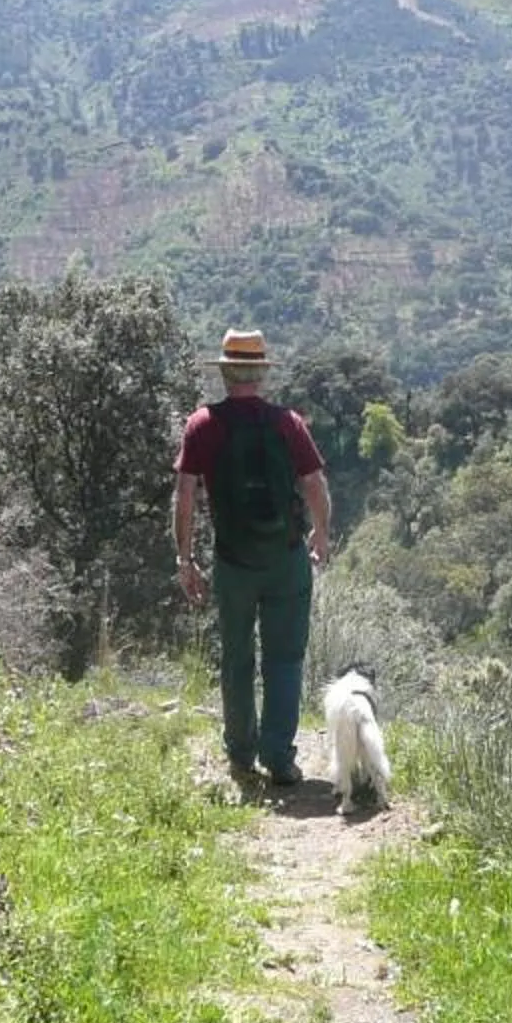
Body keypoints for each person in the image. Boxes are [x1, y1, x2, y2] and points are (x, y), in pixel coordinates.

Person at [173, 328, 333, 784]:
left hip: (233, 561)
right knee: (285, 658)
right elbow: (315, 483)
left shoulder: (202, 425)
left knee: (237, 657)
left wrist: (184, 558)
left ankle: (241, 753)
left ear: (225, 373)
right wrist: (321, 535)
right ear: (261, 375)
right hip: (286, 559)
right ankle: (279, 758)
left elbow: (185, 495)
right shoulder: (288, 423)